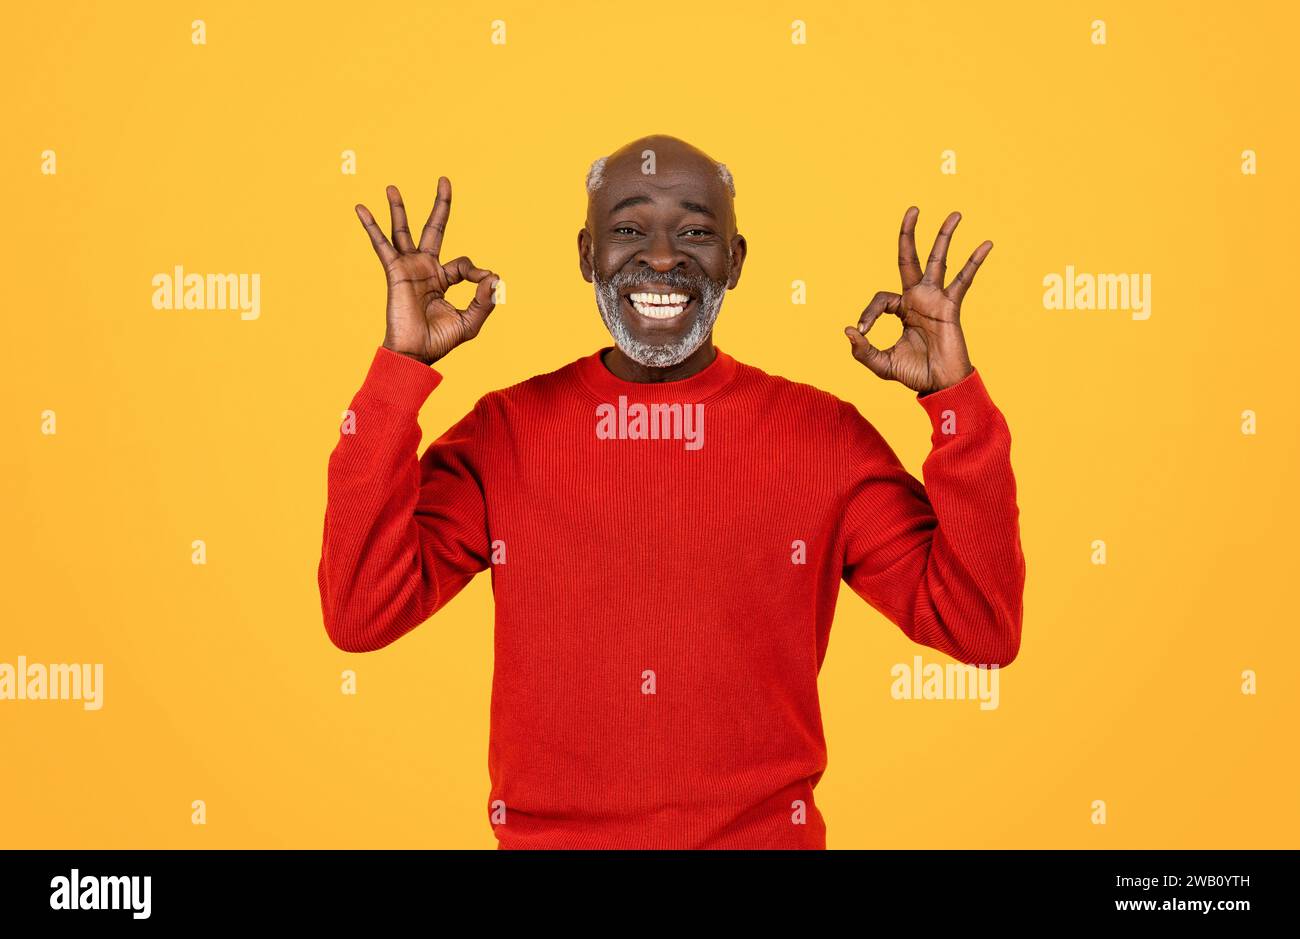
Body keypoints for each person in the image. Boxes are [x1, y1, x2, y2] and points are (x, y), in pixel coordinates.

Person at [318, 134, 1025, 849]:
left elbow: (980, 628)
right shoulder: (505, 433)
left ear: (736, 261)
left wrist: (953, 400)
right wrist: (398, 369)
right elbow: (361, 611)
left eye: (694, 232)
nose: (661, 258)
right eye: (628, 230)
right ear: (586, 256)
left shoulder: (823, 438)